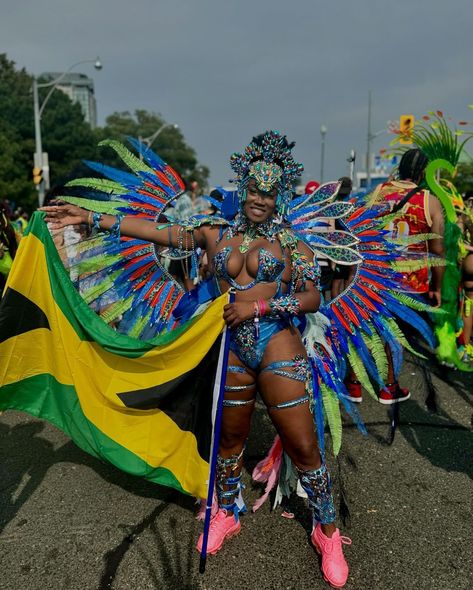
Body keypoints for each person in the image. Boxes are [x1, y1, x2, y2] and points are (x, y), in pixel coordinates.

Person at [42, 131, 353, 588]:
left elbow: (312, 298)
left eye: (268, 193)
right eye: (253, 190)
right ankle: (226, 511)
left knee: (303, 444)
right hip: (230, 348)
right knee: (228, 438)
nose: (259, 200)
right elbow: (156, 231)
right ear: (243, 187)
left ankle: (327, 531)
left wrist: (260, 307)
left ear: (278, 195)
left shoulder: (292, 245)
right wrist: (90, 216)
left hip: (277, 345)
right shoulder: (216, 234)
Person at [364, 148, 445, 403]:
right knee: (396, 334)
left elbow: (363, 230)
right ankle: (389, 386)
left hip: (377, 275)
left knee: (372, 327)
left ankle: (354, 383)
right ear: (422, 173)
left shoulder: (378, 193)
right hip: (411, 282)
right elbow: (437, 249)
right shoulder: (428, 201)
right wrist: (438, 287)